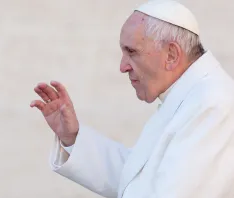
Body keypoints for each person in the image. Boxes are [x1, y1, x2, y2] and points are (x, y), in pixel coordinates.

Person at [30, 0, 234, 197]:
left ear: (171, 54)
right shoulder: (191, 97)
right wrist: (72, 136)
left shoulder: (212, 105)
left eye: (132, 52)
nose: (122, 67)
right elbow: (138, 180)